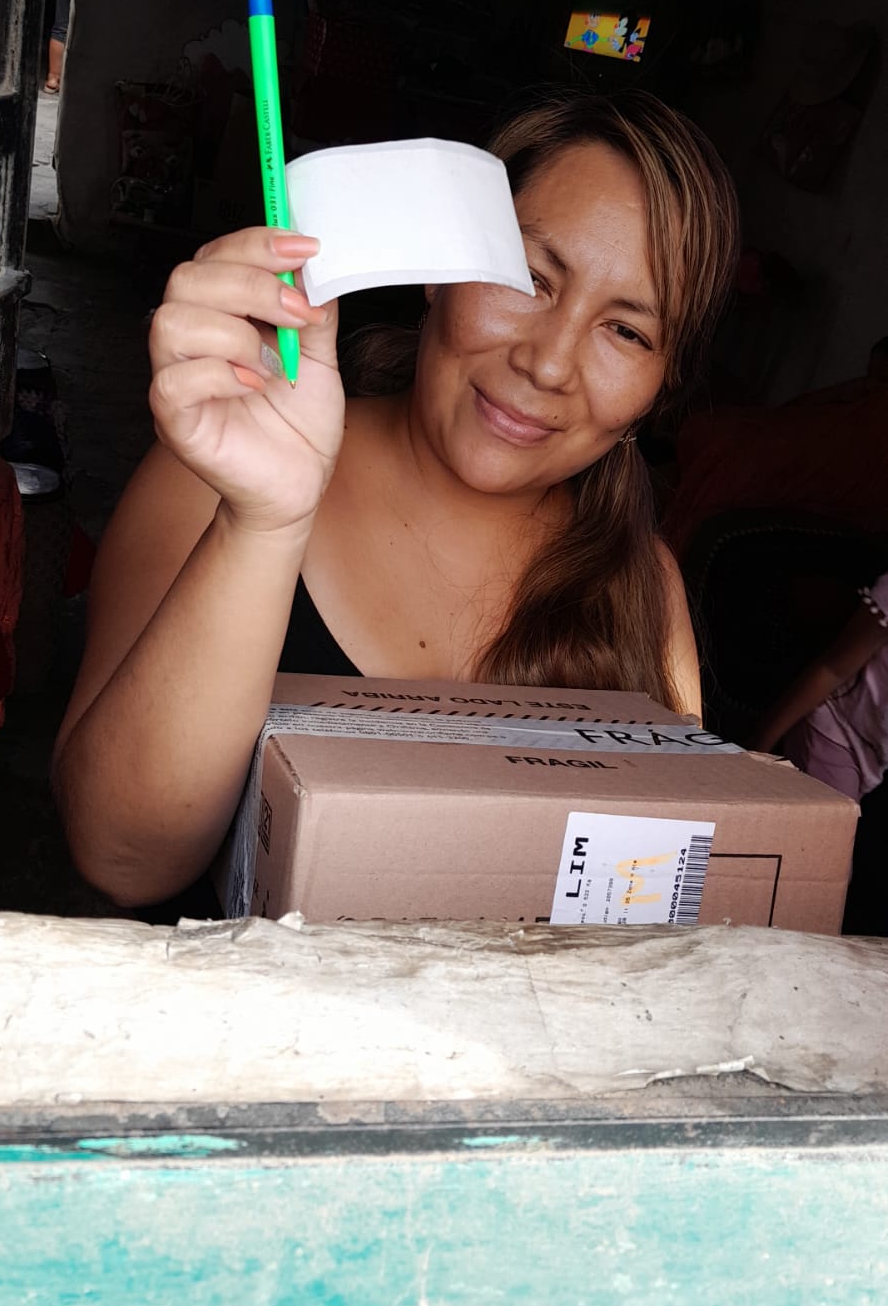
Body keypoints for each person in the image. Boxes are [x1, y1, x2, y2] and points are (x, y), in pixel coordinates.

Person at [52, 89, 740, 907]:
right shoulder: (219, 477)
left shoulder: (643, 585)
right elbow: (122, 858)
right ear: (441, 270)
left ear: (658, 394)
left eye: (626, 331)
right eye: (527, 276)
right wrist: (264, 522)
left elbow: (659, 890)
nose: (549, 363)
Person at [753, 573, 888, 804]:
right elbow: (833, 670)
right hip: (836, 731)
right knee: (830, 821)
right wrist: (758, 746)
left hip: (876, 756)